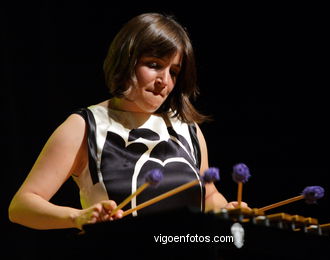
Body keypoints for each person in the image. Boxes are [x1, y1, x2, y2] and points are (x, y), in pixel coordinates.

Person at [8, 12, 247, 231]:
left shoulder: (187, 129)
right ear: (127, 60)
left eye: (173, 72)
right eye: (154, 65)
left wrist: (226, 210)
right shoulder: (85, 126)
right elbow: (21, 206)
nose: (164, 80)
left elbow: (207, 196)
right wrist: (78, 217)